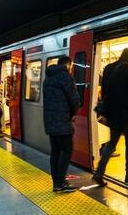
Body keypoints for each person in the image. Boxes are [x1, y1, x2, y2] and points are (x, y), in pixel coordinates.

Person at [93, 48, 128, 186]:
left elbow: (104, 91)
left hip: (111, 112)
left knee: (112, 144)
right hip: (126, 112)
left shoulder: (108, 68)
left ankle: (99, 172)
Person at [43, 56, 80, 193]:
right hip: (63, 120)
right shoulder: (65, 76)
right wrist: (74, 113)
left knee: (55, 152)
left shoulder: (48, 78)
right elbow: (74, 98)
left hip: (50, 121)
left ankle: (56, 182)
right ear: (68, 65)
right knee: (67, 150)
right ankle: (60, 182)